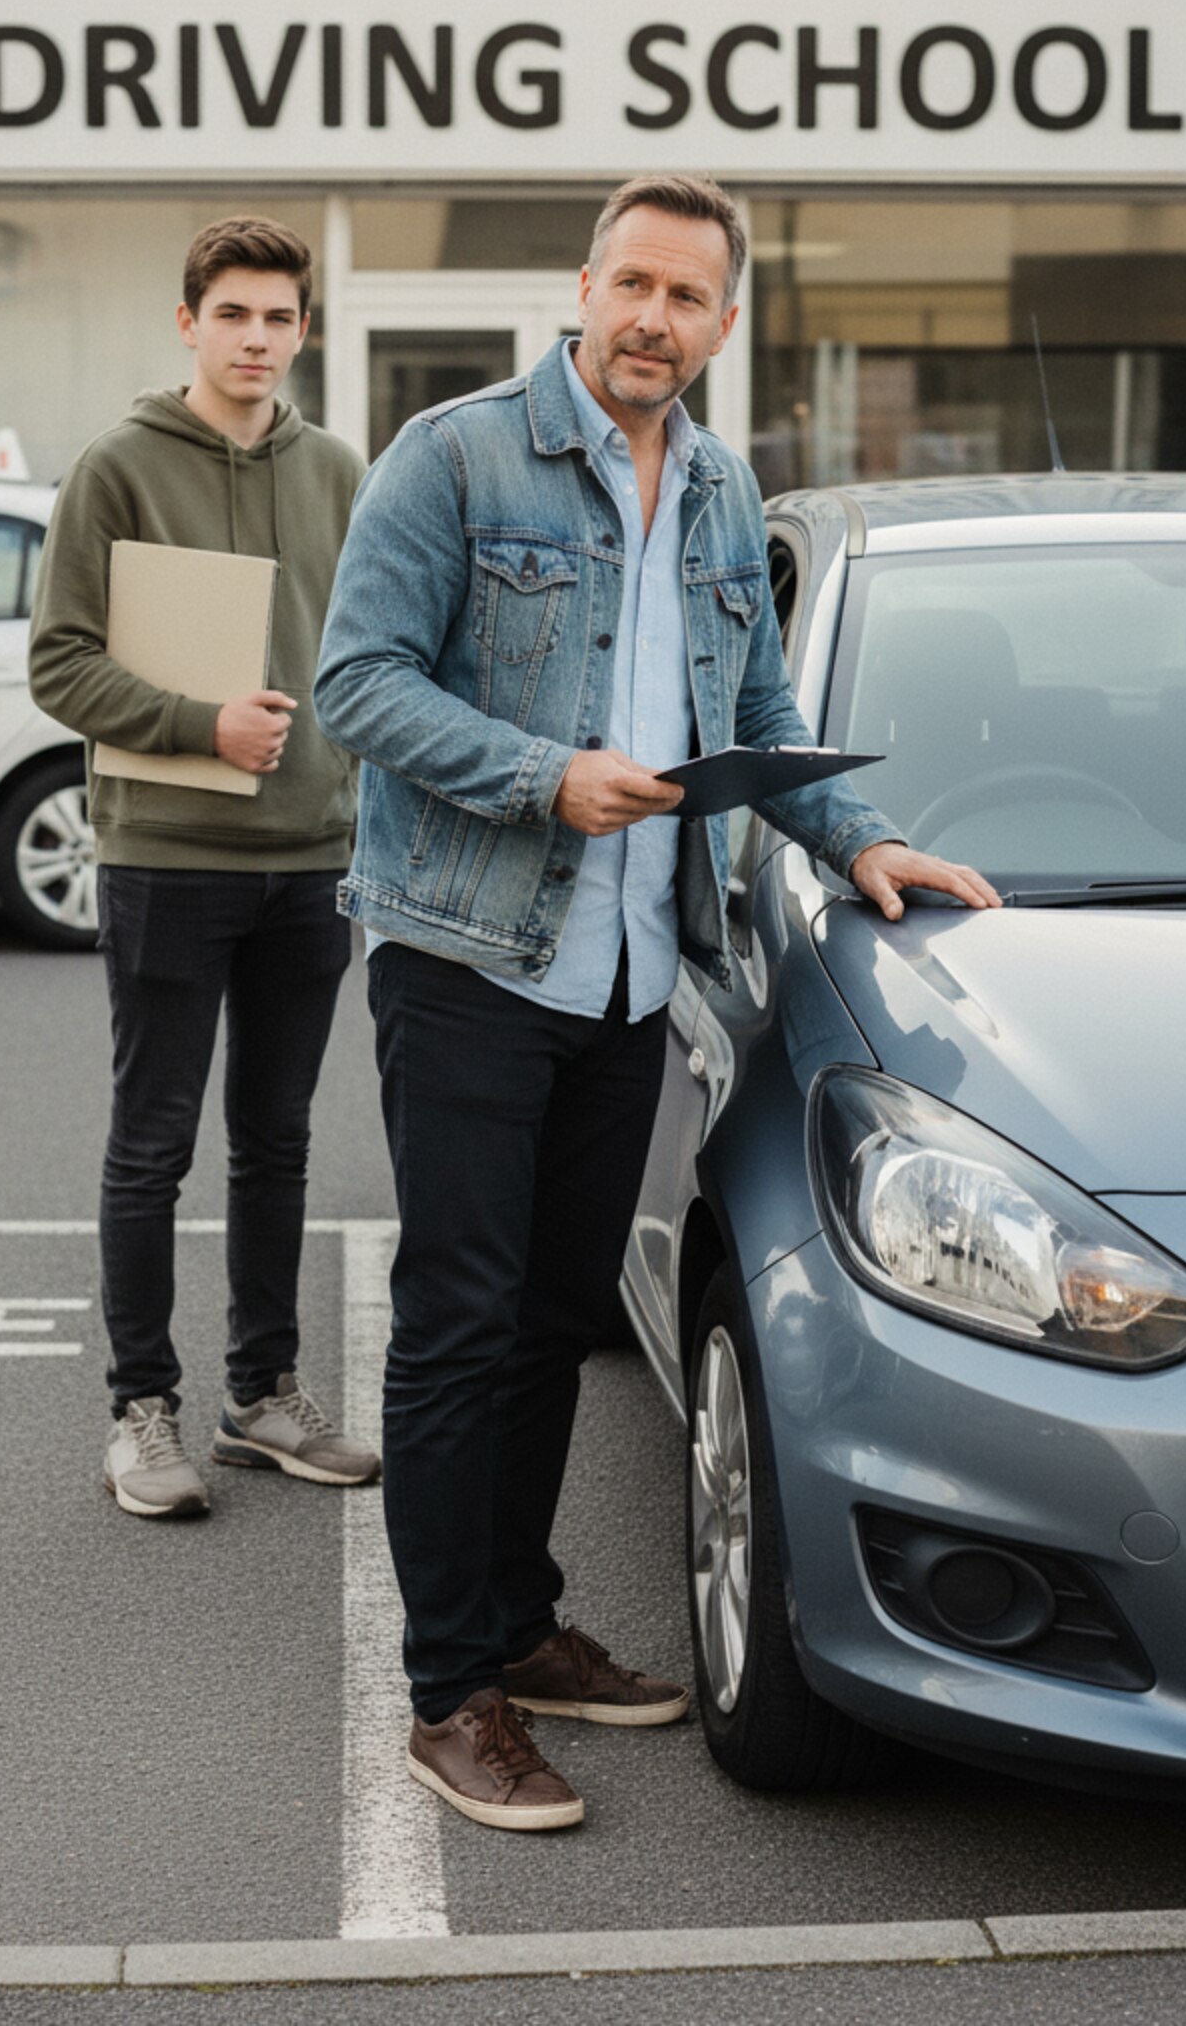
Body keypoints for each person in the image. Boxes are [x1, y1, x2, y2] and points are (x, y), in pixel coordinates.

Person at [314, 174, 1001, 1832]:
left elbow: (757, 705)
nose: (649, 319)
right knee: (462, 1326)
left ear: (722, 320)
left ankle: (521, 1621)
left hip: (627, 974)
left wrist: (867, 837)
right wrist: (543, 776)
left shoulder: (713, 488)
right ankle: (447, 1691)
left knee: (554, 1316)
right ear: (582, 286)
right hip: (471, 955)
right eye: (628, 284)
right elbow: (355, 679)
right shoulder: (456, 454)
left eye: (683, 297)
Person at [29, 215, 379, 1519]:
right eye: (231, 313)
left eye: (278, 317)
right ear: (190, 321)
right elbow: (58, 660)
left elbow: (372, 655)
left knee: (276, 1141)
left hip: (308, 858)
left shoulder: (338, 471)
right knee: (152, 1145)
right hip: (168, 856)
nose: (254, 338)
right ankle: (141, 1412)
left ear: (303, 329)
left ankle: (263, 1397)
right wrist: (199, 727)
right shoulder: (118, 467)